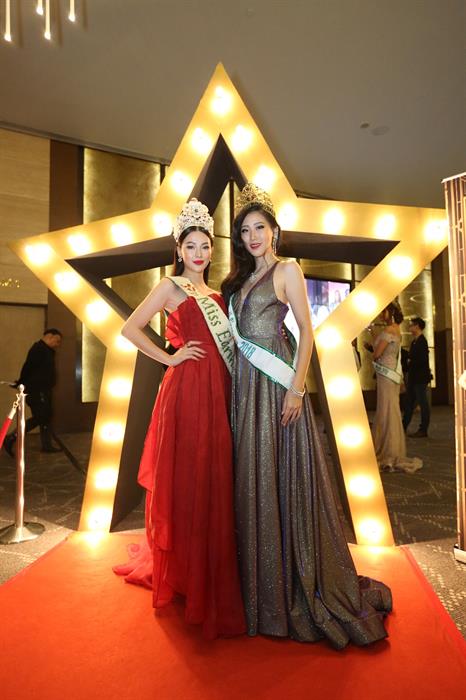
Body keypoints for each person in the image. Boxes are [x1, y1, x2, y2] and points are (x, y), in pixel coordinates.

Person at [221, 183, 392, 650]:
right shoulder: (238, 281)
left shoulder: (287, 270)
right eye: (245, 231)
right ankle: (260, 585)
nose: (253, 237)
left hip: (278, 385)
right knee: (252, 474)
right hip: (247, 389)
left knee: (281, 472)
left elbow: (307, 333)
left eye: (259, 228)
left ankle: (291, 587)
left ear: (274, 231)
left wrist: (296, 390)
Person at [113, 199, 245, 640]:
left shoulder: (218, 296)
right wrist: (169, 358)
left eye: (205, 246)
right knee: (187, 475)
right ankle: (185, 571)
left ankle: (207, 565)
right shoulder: (170, 287)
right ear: (179, 250)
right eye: (191, 246)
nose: (199, 253)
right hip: (186, 390)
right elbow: (130, 328)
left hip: (217, 391)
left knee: (212, 474)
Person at [365, 304, 422, 474]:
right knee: (392, 410)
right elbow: (382, 349)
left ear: (390, 313)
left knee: (386, 410)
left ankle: (387, 452)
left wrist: (373, 350)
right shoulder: (396, 330)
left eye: (383, 311)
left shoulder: (389, 330)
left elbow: (377, 354)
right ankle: (392, 449)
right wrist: (372, 335)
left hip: (386, 375)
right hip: (391, 374)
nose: (381, 314)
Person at [3, 328, 62, 456]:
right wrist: (20, 382)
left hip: (43, 390)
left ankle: (47, 445)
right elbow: (27, 368)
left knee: (46, 416)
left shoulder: (47, 351)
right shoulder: (38, 349)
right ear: (50, 336)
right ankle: (12, 437)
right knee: (41, 416)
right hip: (37, 390)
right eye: (57, 341)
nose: (57, 344)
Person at [402, 317, 432, 437]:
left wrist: (410, 361)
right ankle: (403, 426)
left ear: (417, 326)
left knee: (422, 403)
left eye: (411, 325)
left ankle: (423, 429)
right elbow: (411, 356)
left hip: (420, 378)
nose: (409, 327)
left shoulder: (422, 341)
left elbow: (421, 360)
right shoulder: (414, 341)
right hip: (414, 377)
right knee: (409, 402)